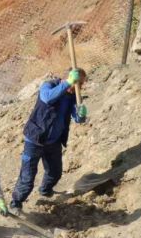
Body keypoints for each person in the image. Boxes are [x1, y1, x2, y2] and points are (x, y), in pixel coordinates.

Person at [9, 68, 88, 214]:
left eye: (81, 85)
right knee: (27, 178)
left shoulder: (74, 96)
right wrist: (68, 83)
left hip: (54, 142)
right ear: (68, 78)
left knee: (55, 172)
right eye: (77, 83)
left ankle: (45, 190)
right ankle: (16, 203)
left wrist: (81, 116)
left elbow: (76, 118)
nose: (79, 87)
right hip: (35, 139)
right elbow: (48, 98)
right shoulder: (49, 86)